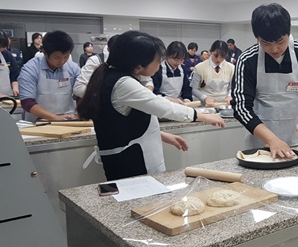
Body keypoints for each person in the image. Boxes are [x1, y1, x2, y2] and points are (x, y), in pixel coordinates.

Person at [76, 30, 225, 181]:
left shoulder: (113, 75)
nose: (159, 67)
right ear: (139, 64)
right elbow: (161, 106)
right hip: (130, 163)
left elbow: (124, 124)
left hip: (131, 157)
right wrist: (201, 116)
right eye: (157, 62)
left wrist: (160, 135)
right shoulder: (123, 83)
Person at [231, 3, 298, 158]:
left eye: (280, 41)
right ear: (257, 38)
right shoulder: (248, 60)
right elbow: (242, 108)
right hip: (260, 147)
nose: (274, 49)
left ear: (288, 33)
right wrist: (272, 139)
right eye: (266, 43)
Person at [18, 30, 81, 122]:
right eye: (57, 58)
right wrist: (54, 118)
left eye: (66, 57)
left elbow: (80, 95)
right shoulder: (30, 69)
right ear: (45, 52)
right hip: (37, 123)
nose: (62, 61)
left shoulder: (73, 68)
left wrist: (82, 112)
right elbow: (27, 102)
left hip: (68, 120)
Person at [191, 40, 234, 105]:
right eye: (215, 56)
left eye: (222, 57)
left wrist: (230, 95)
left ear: (226, 55)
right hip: (206, 105)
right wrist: (205, 98)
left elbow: (232, 87)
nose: (218, 59)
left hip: (224, 104)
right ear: (211, 52)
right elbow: (193, 89)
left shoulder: (231, 68)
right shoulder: (200, 67)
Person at [0, 30, 20, 97]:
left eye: (3, 47)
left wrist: (15, 87)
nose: (2, 49)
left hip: (7, 97)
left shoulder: (6, 55)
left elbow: (14, 74)